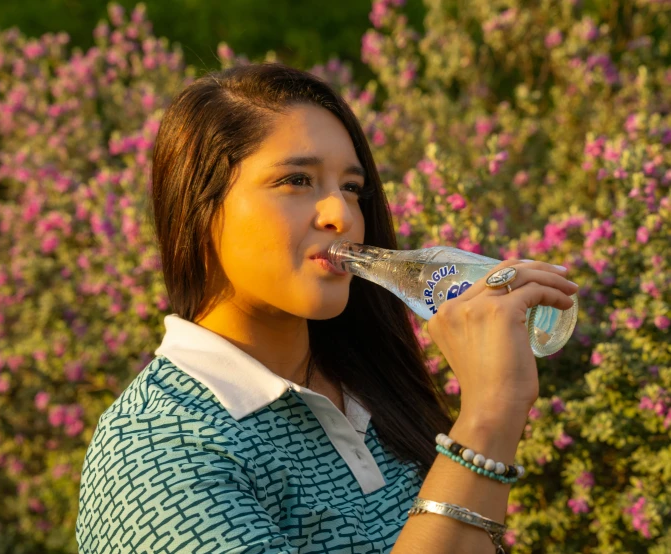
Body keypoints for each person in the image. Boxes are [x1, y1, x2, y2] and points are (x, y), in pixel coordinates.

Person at [75, 62, 578, 553]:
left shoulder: (368, 391)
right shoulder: (156, 455)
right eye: (296, 180)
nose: (343, 214)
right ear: (198, 209)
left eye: (352, 188)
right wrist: (488, 419)